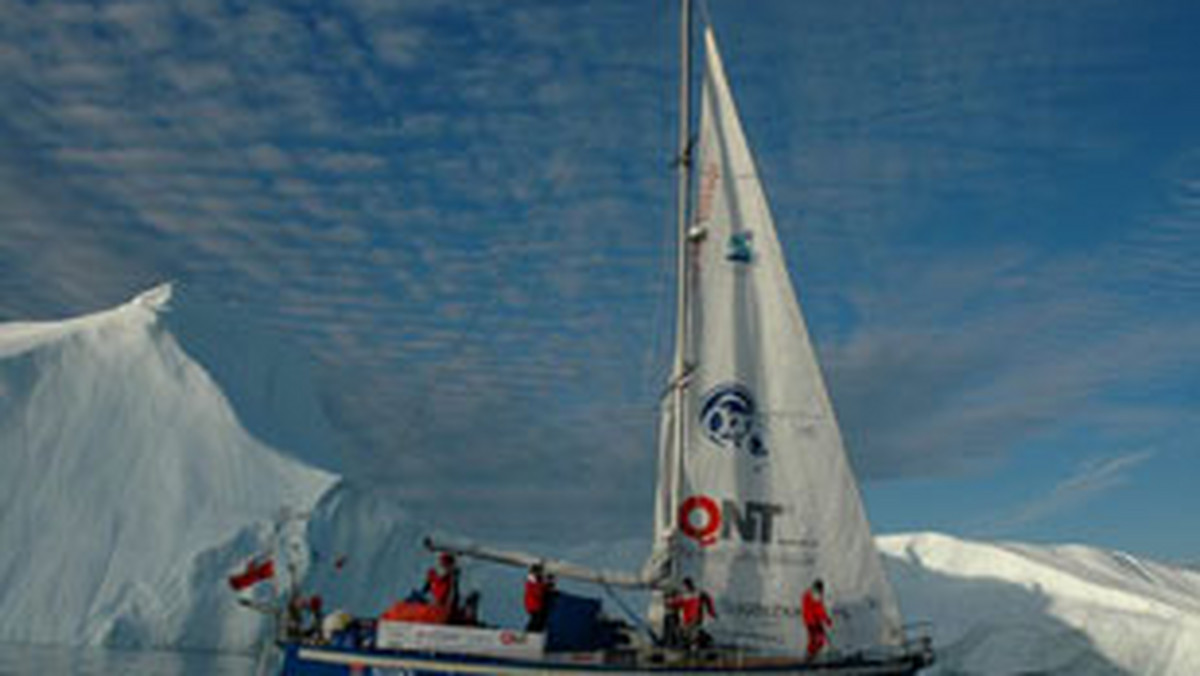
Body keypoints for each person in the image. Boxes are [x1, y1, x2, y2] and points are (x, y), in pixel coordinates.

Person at [666, 577, 716, 650]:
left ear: (690, 585)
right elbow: (677, 603)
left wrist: (711, 612)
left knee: (692, 632)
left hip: (696, 617)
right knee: (682, 631)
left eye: (686, 586)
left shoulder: (698, 593)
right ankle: (703, 639)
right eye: (684, 586)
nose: (685, 588)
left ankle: (696, 644)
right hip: (687, 619)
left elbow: (708, 599)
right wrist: (669, 603)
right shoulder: (684, 595)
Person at [802, 579, 832, 660]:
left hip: (814, 621)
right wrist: (825, 619)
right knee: (815, 639)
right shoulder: (812, 595)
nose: (823, 591)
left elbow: (819, 609)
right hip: (811, 621)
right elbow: (815, 609)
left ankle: (813, 655)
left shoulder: (814, 594)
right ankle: (810, 656)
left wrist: (826, 619)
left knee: (820, 639)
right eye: (822, 589)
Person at [524, 563, 555, 632]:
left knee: (540, 619)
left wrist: (549, 583)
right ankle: (531, 633)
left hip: (536, 605)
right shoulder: (533, 581)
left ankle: (533, 632)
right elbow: (538, 590)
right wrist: (548, 583)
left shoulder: (536, 581)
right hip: (535, 605)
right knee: (537, 619)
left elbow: (542, 589)